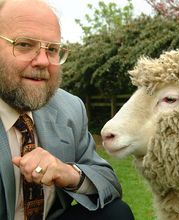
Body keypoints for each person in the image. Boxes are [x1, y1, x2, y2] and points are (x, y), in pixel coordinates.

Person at [0, 0, 135, 219]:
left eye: (52, 49)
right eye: (24, 44)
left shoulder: (70, 108)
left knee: (115, 214)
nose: (43, 61)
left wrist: (69, 173)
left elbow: (108, 183)